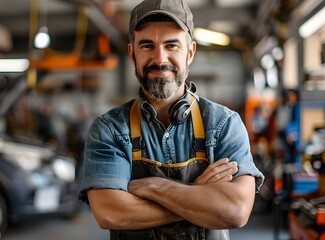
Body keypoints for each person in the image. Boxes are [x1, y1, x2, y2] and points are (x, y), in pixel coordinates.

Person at [78, 0, 265, 239]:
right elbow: (111, 213)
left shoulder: (223, 124)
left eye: (171, 45)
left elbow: (235, 211)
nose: (160, 58)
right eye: (147, 45)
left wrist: (153, 187)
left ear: (190, 52)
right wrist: (199, 194)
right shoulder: (110, 130)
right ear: (132, 53)